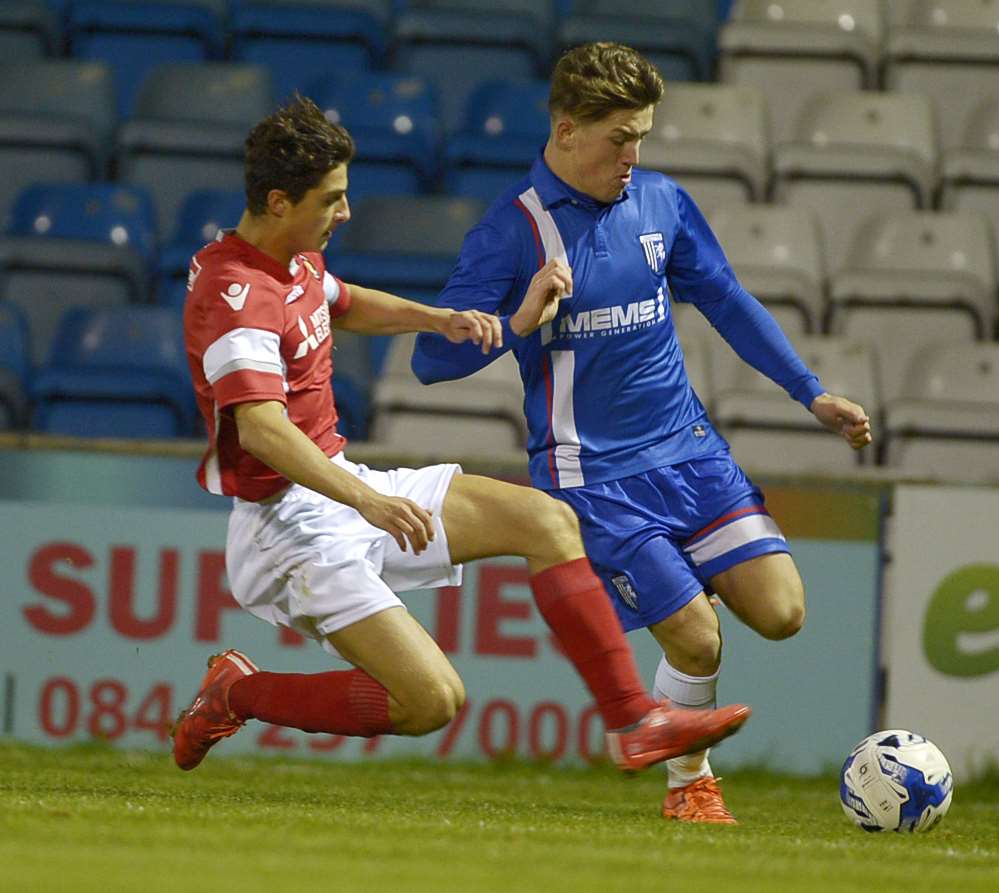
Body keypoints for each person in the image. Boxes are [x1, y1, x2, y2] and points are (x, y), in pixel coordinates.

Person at [172, 96, 752, 778]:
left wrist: (438, 318)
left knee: (547, 520)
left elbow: (343, 302)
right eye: (332, 199)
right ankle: (236, 691)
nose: (346, 211)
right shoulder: (234, 295)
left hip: (336, 483)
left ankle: (635, 720)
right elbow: (263, 431)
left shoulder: (290, 258)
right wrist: (366, 500)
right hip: (285, 531)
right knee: (430, 701)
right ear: (277, 201)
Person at [412, 43, 871, 824]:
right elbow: (428, 360)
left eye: (641, 138)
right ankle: (689, 784)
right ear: (564, 131)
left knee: (782, 611)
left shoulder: (660, 202)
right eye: (619, 138)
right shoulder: (512, 232)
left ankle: (680, 745)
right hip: (593, 479)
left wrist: (811, 393)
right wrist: (519, 317)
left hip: (690, 452)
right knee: (697, 640)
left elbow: (725, 298)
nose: (633, 155)